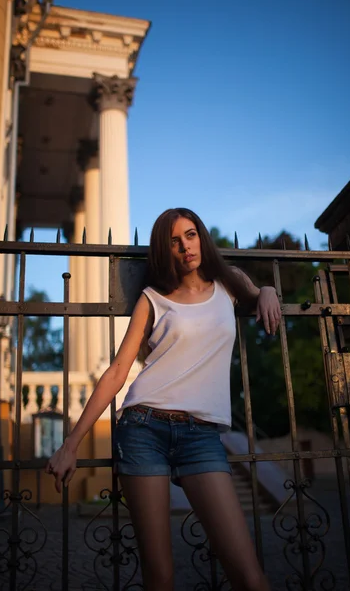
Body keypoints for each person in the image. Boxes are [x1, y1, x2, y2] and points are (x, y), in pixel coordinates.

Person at [46, 207, 281, 591]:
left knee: (249, 576)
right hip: (144, 429)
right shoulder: (153, 299)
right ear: (165, 250)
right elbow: (118, 372)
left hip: (201, 437)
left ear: (201, 237)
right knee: (161, 576)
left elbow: (257, 295)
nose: (186, 246)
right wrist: (71, 444)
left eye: (190, 235)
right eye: (174, 241)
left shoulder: (227, 284)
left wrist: (268, 290)